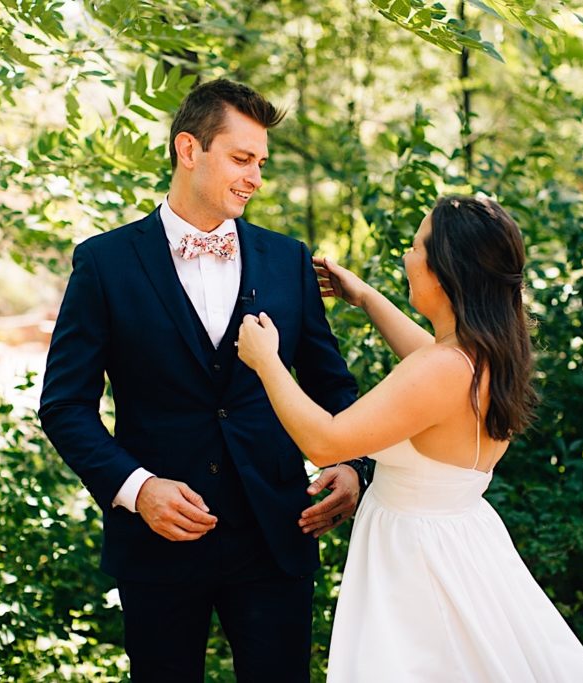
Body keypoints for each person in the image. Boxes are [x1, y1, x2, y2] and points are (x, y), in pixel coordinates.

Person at [39, 78, 369, 683]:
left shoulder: (288, 259)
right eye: (242, 158)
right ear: (188, 150)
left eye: (262, 163)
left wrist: (353, 466)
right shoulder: (104, 263)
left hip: (277, 535)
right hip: (157, 543)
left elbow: (333, 385)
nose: (255, 178)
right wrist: (137, 490)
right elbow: (64, 406)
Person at [237, 195, 583, 681]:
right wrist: (366, 297)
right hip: (462, 541)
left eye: (416, 246)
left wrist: (267, 362)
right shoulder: (484, 354)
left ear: (443, 270)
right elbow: (427, 357)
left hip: (416, 564)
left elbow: (327, 443)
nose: (407, 257)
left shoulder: (441, 370)